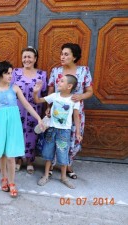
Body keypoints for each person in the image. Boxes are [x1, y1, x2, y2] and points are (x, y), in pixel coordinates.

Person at [0, 61, 44, 197]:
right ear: (0, 74)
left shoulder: (15, 88)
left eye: (11, 73)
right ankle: (4, 178)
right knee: (1, 155)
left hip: (13, 124)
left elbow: (27, 105)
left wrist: (39, 118)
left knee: (11, 156)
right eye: (7, 73)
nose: (10, 76)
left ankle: (12, 182)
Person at [47, 43, 93, 179]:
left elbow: (90, 91)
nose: (62, 56)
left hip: (75, 113)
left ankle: (67, 165)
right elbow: (50, 90)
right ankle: (51, 165)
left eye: (66, 54)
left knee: (74, 138)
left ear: (74, 57)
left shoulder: (84, 71)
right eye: (61, 54)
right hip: (58, 113)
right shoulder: (56, 71)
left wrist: (81, 96)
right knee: (55, 137)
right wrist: (48, 108)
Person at [33, 74, 82, 189]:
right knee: (48, 152)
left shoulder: (74, 100)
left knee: (63, 153)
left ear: (69, 86)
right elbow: (37, 100)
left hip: (64, 131)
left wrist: (78, 133)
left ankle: (63, 177)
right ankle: (46, 175)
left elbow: (76, 117)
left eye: (62, 81)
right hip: (51, 129)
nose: (58, 82)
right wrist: (36, 92)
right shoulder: (54, 96)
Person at [11, 46, 47, 174]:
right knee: (18, 134)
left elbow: (44, 93)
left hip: (34, 108)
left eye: (29, 57)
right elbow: (10, 90)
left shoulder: (42, 74)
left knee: (32, 135)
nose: (27, 59)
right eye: (24, 57)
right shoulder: (15, 72)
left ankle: (30, 161)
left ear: (35, 59)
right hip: (17, 109)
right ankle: (19, 159)